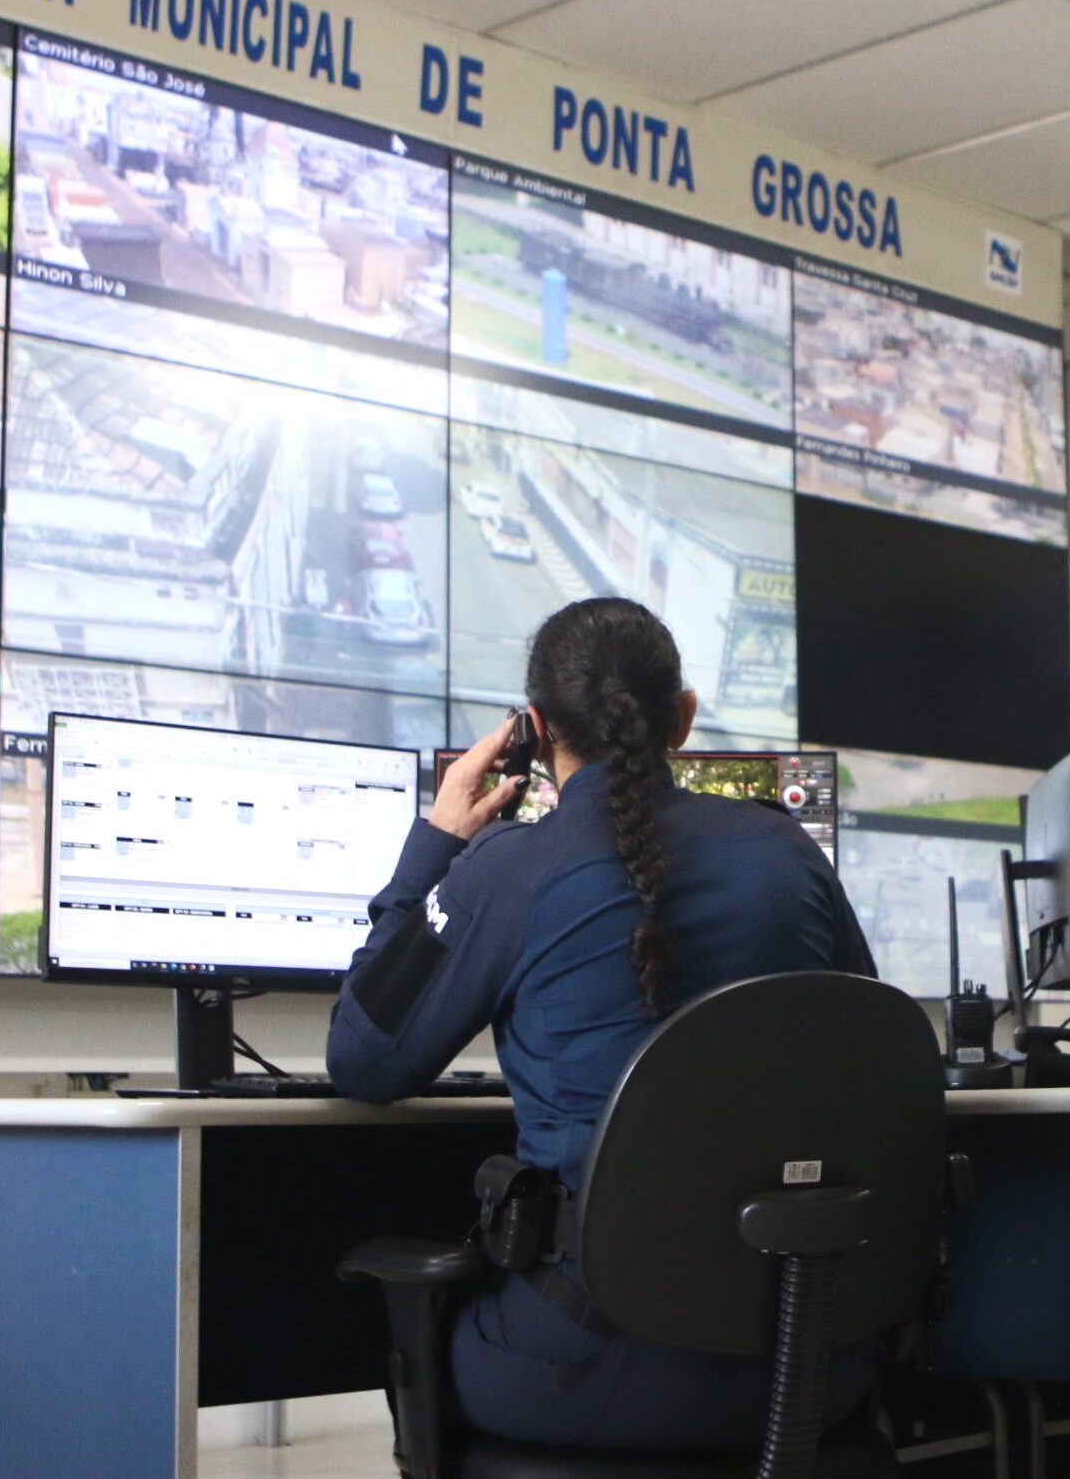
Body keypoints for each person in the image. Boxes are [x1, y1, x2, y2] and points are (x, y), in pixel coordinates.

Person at [326, 597, 878, 1451]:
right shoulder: (788, 851)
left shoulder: (510, 868)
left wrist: (435, 842)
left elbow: (364, 1061)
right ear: (682, 718)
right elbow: (864, 1042)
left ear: (535, 729)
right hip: (809, 1363)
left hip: (586, 1368)